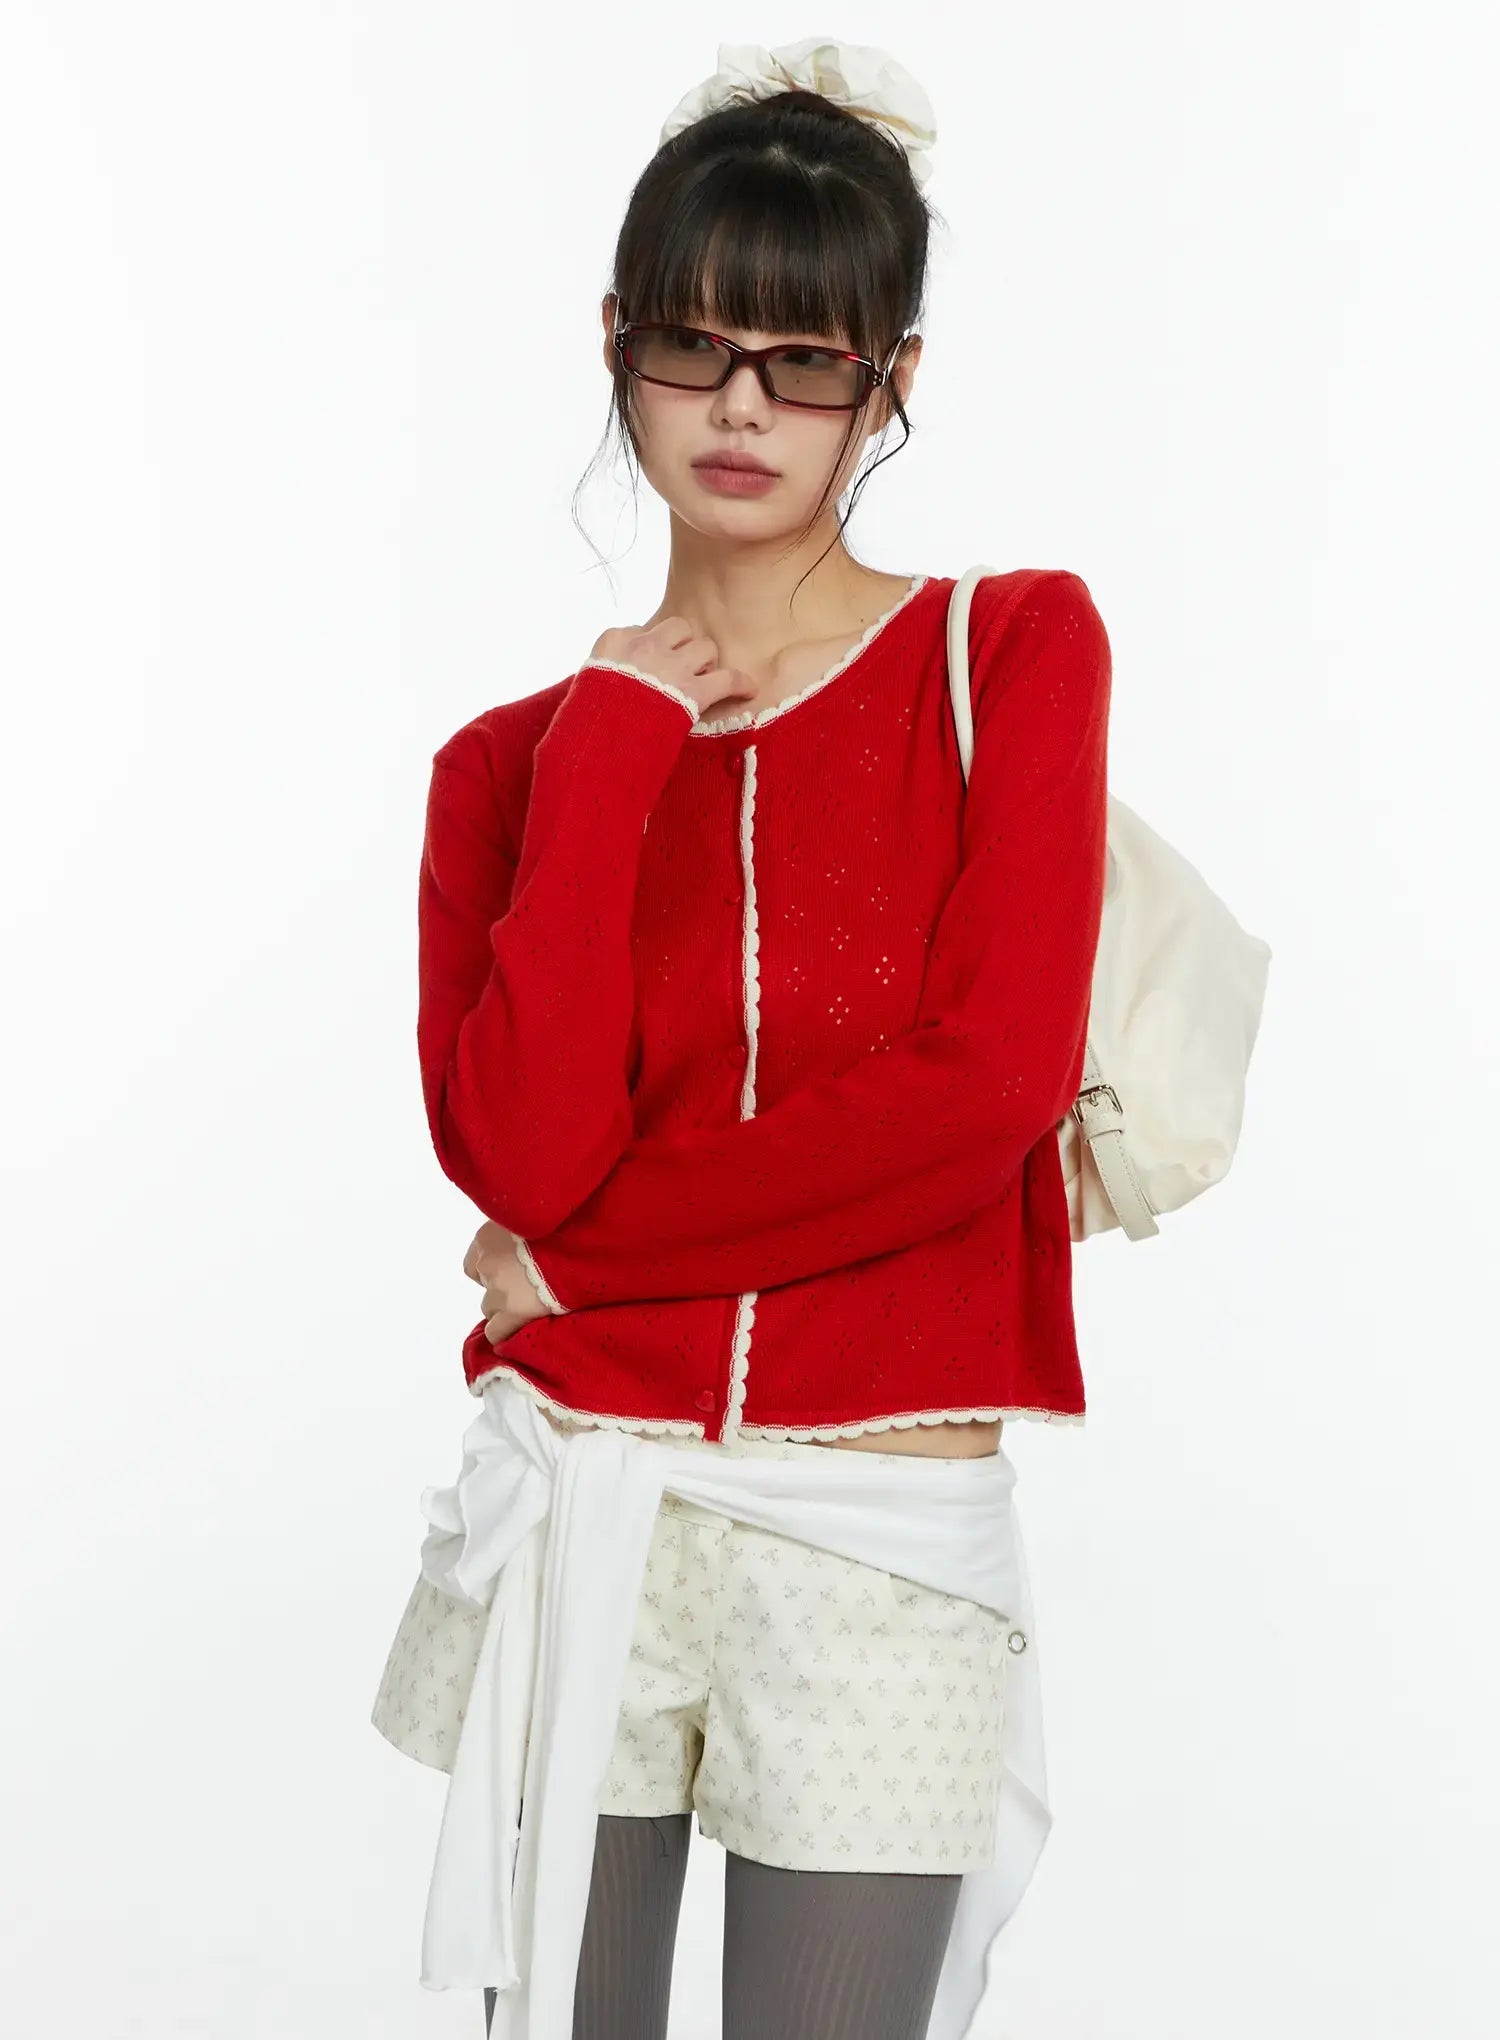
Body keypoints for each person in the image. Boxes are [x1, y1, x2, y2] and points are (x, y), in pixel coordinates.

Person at [371, 36, 1111, 2040]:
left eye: (807, 362)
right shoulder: (512, 767)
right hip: (588, 1492)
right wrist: (616, 744)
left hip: (880, 1536)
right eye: (695, 348)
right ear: (617, 344)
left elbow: (984, 1097)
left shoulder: (1008, 652)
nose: (744, 408)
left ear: (894, 378)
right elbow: (522, 1156)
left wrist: (582, 1266)